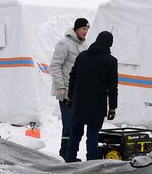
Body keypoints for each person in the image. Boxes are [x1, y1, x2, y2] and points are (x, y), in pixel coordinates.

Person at [64, 30, 117, 162]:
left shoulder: (82, 56)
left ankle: (70, 159)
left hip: (79, 102)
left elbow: (72, 77)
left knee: (75, 132)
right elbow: (112, 87)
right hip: (97, 105)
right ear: (109, 44)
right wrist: (112, 107)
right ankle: (91, 161)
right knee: (93, 134)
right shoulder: (111, 61)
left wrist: (70, 97)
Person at [49, 18, 89, 156]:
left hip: (78, 92)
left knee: (76, 125)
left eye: (87, 29)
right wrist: (59, 87)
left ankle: (71, 155)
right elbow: (54, 66)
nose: (86, 32)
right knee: (68, 125)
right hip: (65, 92)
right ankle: (64, 153)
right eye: (84, 28)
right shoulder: (64, 44)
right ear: (76, 28)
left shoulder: (84, 46)